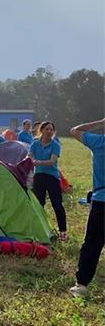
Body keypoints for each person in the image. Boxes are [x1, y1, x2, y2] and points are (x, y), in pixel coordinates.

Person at [69, 119, 104, 298]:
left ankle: (81, 285)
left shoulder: (99, 142)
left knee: (92, 243)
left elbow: (75, 130)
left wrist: (101, 122)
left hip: (101, 201)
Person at [28, 121, 66, 241]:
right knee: (39, 204)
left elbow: (52, 161)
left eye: (51, 130)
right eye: (47, 129)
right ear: (41, 130)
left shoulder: (55, 145)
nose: (49, 131)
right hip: (38, 176)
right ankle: (40, 229)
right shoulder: (35, 143)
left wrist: (37, 162)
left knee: (57, 204)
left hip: (52, 177)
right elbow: (29, 156)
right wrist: (31, 159)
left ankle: (63, 232)